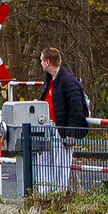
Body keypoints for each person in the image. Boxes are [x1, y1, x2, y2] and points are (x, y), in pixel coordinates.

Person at [36, 47, 88, 192]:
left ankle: (58, 194)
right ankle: (45, 194)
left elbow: (76, 109)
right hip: (48, 130)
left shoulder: (68, 81)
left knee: (60, 168)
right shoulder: (49, 81)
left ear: (47, 62)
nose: (40, 63)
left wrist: (70, 133)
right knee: (44, 165)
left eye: (41, 60)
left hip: (61, 132)